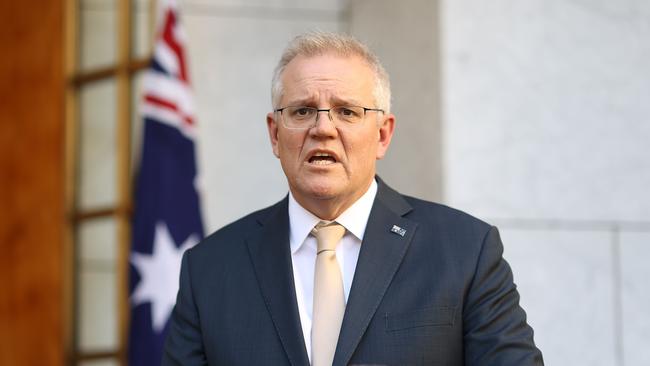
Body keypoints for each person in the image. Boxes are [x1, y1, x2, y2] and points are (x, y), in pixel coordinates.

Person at [163, 32, 544, 366]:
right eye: (302, 111)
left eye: (346, 111)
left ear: (382, 134)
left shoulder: (465, 251)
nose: (323, 128)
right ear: (275, 135)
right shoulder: (209, 269)